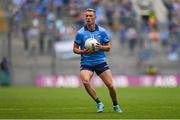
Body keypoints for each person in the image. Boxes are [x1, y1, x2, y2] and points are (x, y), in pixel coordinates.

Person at [73, 8, 122, 113]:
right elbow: (74, 49)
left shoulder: (102, 31)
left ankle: (116, 105)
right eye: (86, 16)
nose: (88, 18)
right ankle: (99, 103)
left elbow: (108, 47)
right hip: (86, 62)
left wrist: (101, 47)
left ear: (95, 17)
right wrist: (82, 52)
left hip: (100, 61)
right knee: (85, 81)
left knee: (111, 85)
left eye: (90, 16)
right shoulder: (80, 33)